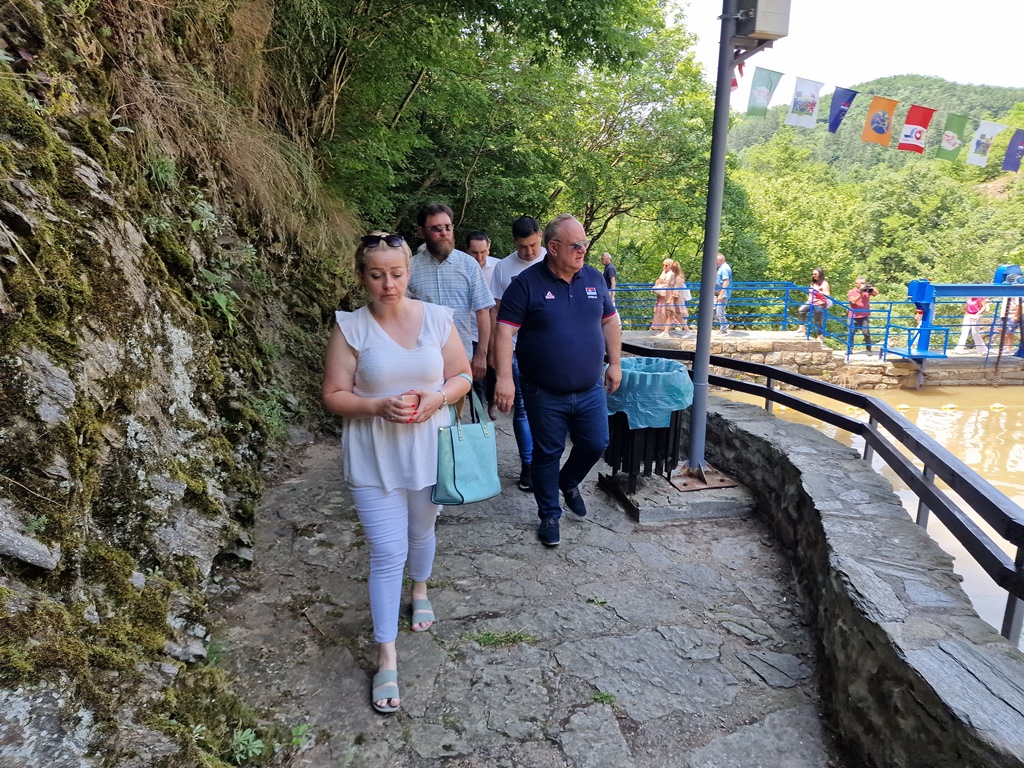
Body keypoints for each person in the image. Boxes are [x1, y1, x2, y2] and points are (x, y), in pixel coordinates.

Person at [322, 232, 472, 714]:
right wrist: (376, 406)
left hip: (429, 451)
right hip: (373, 455)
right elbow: (333, 395)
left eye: (396, 273)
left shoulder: (437, 318)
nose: (388, 284)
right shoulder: (351, 327)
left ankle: (421, 588)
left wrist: (438, 397)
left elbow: (463, 375)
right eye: (376, 275)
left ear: (409, 272)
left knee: (422, 531)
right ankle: (386, 654)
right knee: (387, 552)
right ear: (361, 276)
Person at [493, 214, 622, 547]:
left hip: (590, 388)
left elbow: (610, 321)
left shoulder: (593, 278)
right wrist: (504, 378)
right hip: (543, 391)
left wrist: (615, 363)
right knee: (547, 453)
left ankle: (568, 481)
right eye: (576, 245)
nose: (583, 250)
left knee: (596, 443)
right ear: (552, 247)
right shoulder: (526, 284)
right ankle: (549, 514)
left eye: (585, 243)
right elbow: (504, 331)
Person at [407, 203, 494, 395]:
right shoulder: (409, 268)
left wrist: (481, 354)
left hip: (461, 358)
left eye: (448, 227)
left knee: (456, 411)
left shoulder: (469, 265)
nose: (444, 233)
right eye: (436, 228)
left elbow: (483, 311)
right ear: (421, 232)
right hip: (421, 359)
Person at [488, 215, 546, 490]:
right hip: (516, 348)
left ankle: (546, 462)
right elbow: (496, 311)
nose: (529, 252)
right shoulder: (503, 268)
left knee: (549, 407)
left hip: (550, 348)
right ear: (515, 243)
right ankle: (529, 465)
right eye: (523, 247)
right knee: (522, 408)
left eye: (533, 245)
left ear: (541, 237)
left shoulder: (552, 258)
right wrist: (493, 350)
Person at [466, 230, 500, 410]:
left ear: (489, 248)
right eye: (474, 253)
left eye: (483, 252)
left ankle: (492, 401)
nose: (479, 258)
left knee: (494, 368)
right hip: (470, 330)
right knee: (475, 377)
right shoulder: (461, 267)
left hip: (494, 329)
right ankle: (478, 417)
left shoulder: (498, 267)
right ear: (467, 251)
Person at [846, 277, 879, 353]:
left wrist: (870, 287)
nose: (863, 284)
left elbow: (876, 293)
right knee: (851, 333)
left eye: (864, 283)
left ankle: (868, 349)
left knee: (866, 333)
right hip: (853, 316)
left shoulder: (867, 290)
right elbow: (853, 301)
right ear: (857, 284)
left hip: (864, 316)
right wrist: (860, 294)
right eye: (861, 283)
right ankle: (849, 349)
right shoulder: (852, 291)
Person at [797, 267, 830, 337]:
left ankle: (820, 335)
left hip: (820, 303)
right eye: (813, 274)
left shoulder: (824, 283)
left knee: (817, 321)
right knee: (801, 310)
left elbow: (827, 294)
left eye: (815, 274)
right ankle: (802, 328)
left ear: (820, 274)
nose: (813, 275)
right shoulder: (813, 283)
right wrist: (808, 300)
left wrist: (819, 292)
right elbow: (810, 292)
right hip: (811, 302)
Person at [651, 258, 674, 336]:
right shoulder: (663, 272)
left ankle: (665, 331)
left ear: (670, 266)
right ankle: (662, 329)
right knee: (660, 311)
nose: (664, 266)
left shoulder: (671, 274)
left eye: (666, 265)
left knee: (666, 312)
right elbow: (659, 282)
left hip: (667, 294)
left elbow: (665, 284)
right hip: (661, 295)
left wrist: (656, 287)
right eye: (663, 265)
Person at [667, 261, 691, 333]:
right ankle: (666, 331)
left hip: (676, 299)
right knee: (674, 315)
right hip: (676, 298)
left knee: (676, 315)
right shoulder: (677, 277)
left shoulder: (678, 279)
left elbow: (676, 291)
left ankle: (688, 331)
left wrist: (670, 299)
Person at [715, 252, 732, 334]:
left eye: (716, 260)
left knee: (719, 311)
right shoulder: (720, 268)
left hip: (722, 293)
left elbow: (726, 282)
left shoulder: (724, 268)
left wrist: (721, 295)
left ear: (720, 260)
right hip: (717, 292)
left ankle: (723, 329)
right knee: (713, 311)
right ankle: (724, 324)